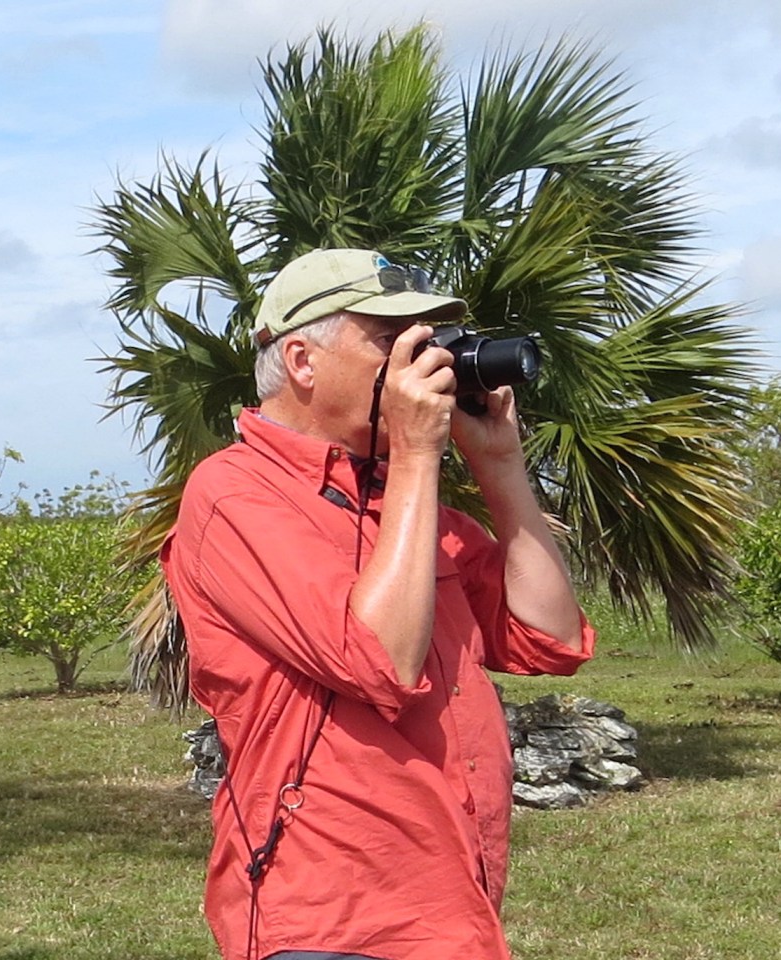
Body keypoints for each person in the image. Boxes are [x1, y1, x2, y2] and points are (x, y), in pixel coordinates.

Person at [161, 248, 596, 960]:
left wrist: (500, 464)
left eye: (428, 339)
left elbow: (547, 637)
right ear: (302, 360)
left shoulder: (400, 508)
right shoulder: (233, 494)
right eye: (392, 342)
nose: (424, 362)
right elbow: (381, 661)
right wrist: (422, 457)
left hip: (450, 908)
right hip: (331, 920)